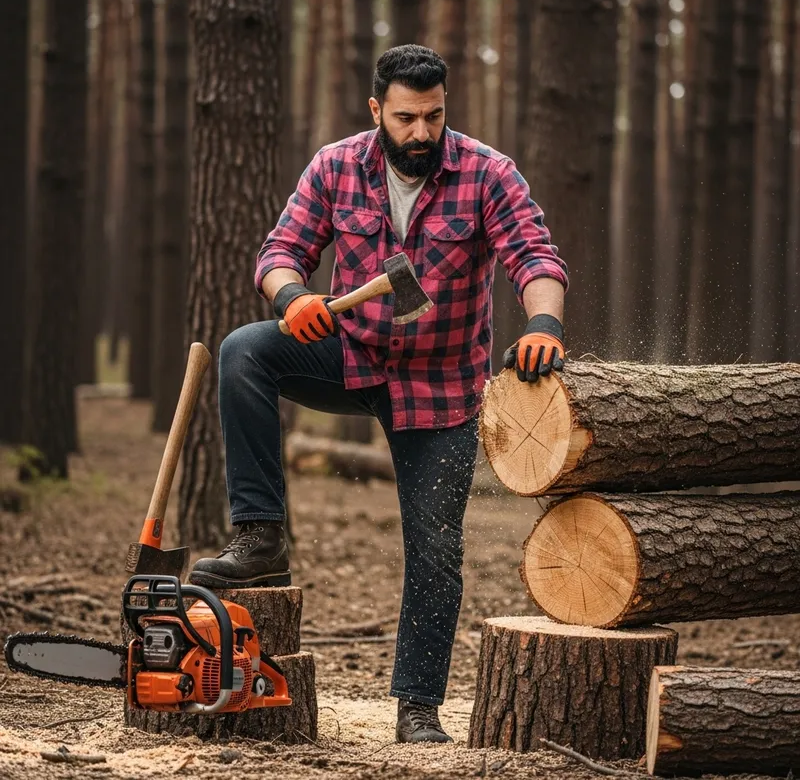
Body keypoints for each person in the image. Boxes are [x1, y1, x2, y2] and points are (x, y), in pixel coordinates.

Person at [188, 45, 568, 744]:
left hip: (442, 388)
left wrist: (543, 323)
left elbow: (535, 257)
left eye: (434, 115)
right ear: (376, 112)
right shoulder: (336, 166)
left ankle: (418, 708)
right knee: (246, 351)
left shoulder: (488, 173)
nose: (421, 132)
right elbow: (279, 253)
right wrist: (294, 295)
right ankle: (261, 533)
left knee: (434, 548)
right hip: (351, 357)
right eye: (405, 118)